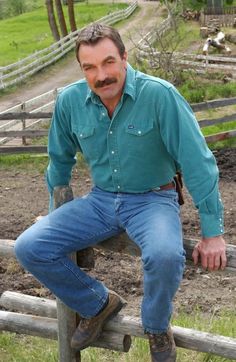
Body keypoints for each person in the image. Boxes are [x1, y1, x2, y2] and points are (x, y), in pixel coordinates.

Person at [14, 23, 227, 362]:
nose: (102, 75)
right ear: (82, 69)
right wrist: (54, 211)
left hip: (152, 200)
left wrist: (212, 232)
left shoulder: (159, 95)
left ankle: (156, 328)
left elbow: (198, 163)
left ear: (125, 58)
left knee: (166, 256)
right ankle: (97, 303)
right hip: (99, 200)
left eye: (109, 62)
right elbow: (59, 162)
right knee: (30, 246)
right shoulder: (70, 101)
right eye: (90, 67)